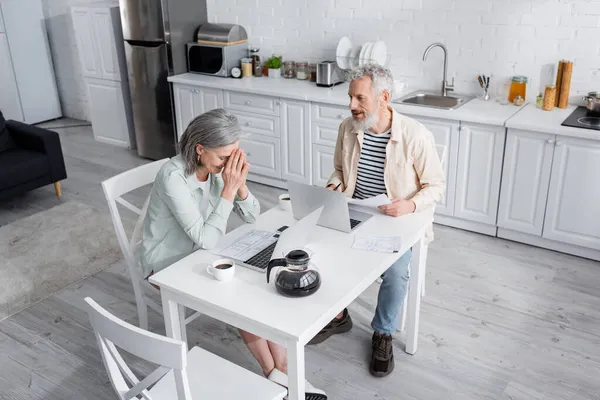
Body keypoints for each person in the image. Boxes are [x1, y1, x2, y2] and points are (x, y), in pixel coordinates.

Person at [140, 109, 326, 399]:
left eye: (233, 156)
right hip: (167, 263)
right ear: (200, 149)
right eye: (223, 157)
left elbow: (252, 216)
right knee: (241, 299)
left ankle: (284, 375)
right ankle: (277, 377)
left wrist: (239, 185)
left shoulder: (215, 169)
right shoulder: (173, 176)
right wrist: (228, 187)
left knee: (256, 288)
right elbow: (205, 237)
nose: (229, 164)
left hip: (201, 253)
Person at [308, 64, 446, 377]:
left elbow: (436, 186)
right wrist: (333, 185)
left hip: (397, 220)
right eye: (350, 97)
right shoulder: (348, 127)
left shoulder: (415, 135)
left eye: (359, 98)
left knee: (397, 273)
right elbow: (340, 171)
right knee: (319, 246)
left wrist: (410, 204)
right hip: (356, 210)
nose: (351, 105)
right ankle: (339, 315)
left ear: (383, 97)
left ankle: (383, 333)